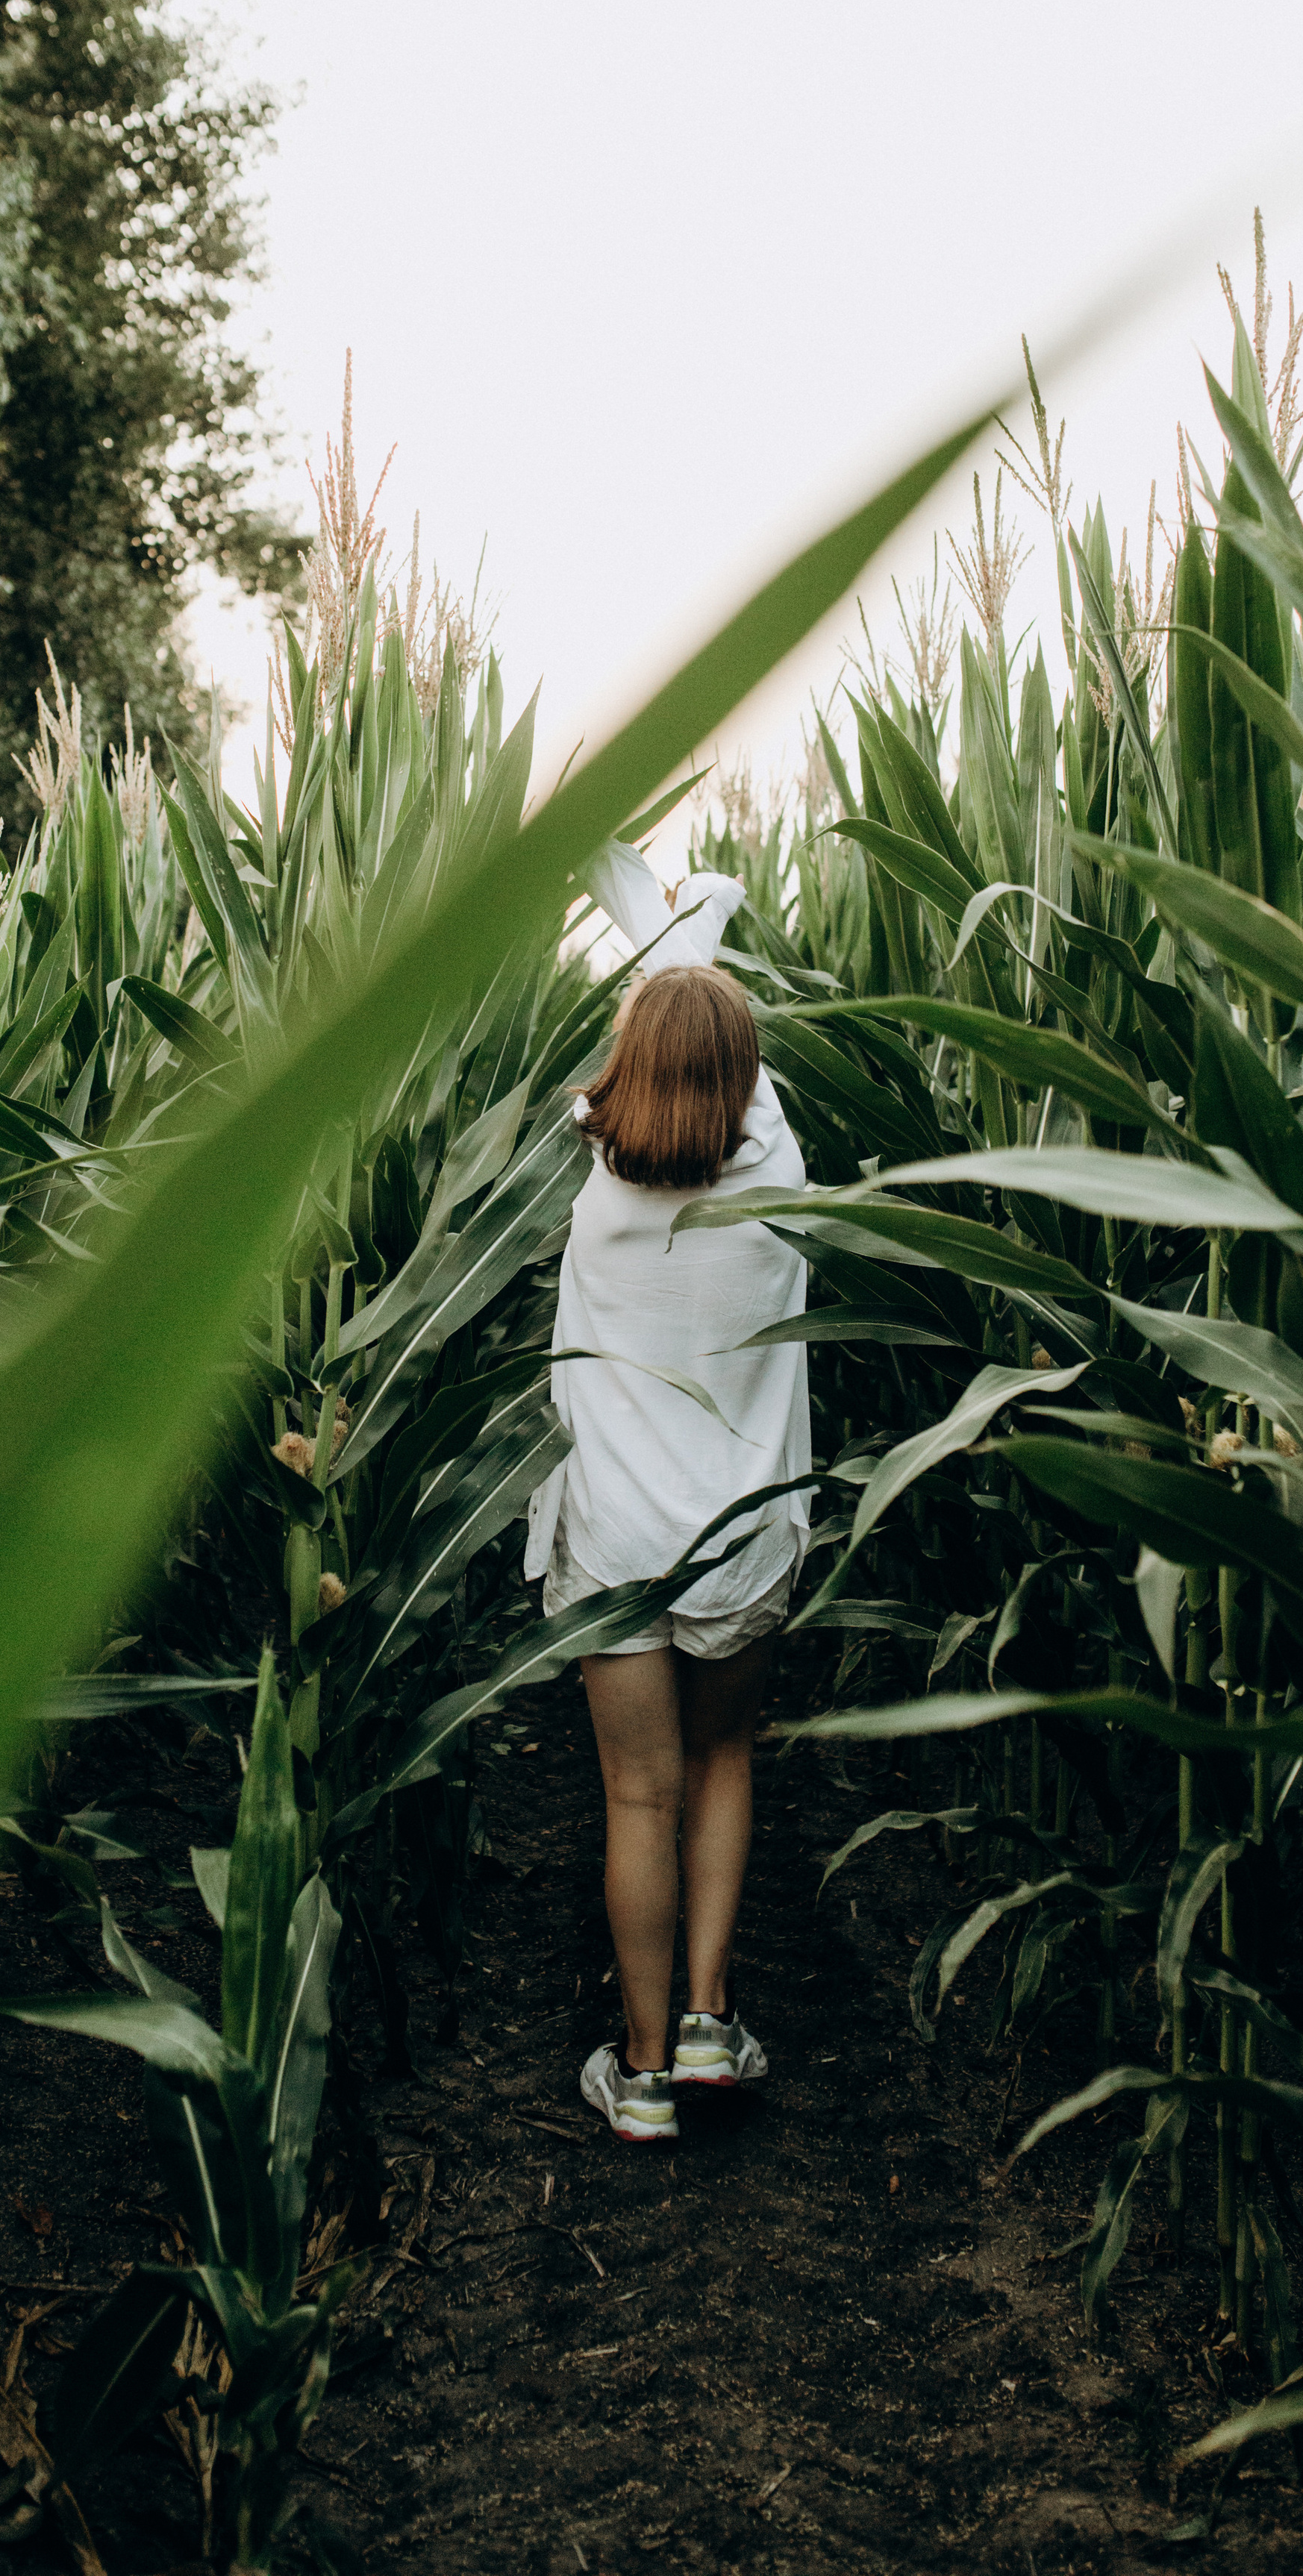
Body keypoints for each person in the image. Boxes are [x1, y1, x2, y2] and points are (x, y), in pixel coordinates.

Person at [525, 845, 810, 2143]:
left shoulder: (599, 1190)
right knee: (721, 1758)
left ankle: (640, 2080)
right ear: (748, 1077)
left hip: (616, 1539)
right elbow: (705, 1026)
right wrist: (708, 918)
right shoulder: (778, 1176)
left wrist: (651, 916)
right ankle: (707, 2023)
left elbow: (656, 1038)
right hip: (740, 1537)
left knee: (636, 1795)